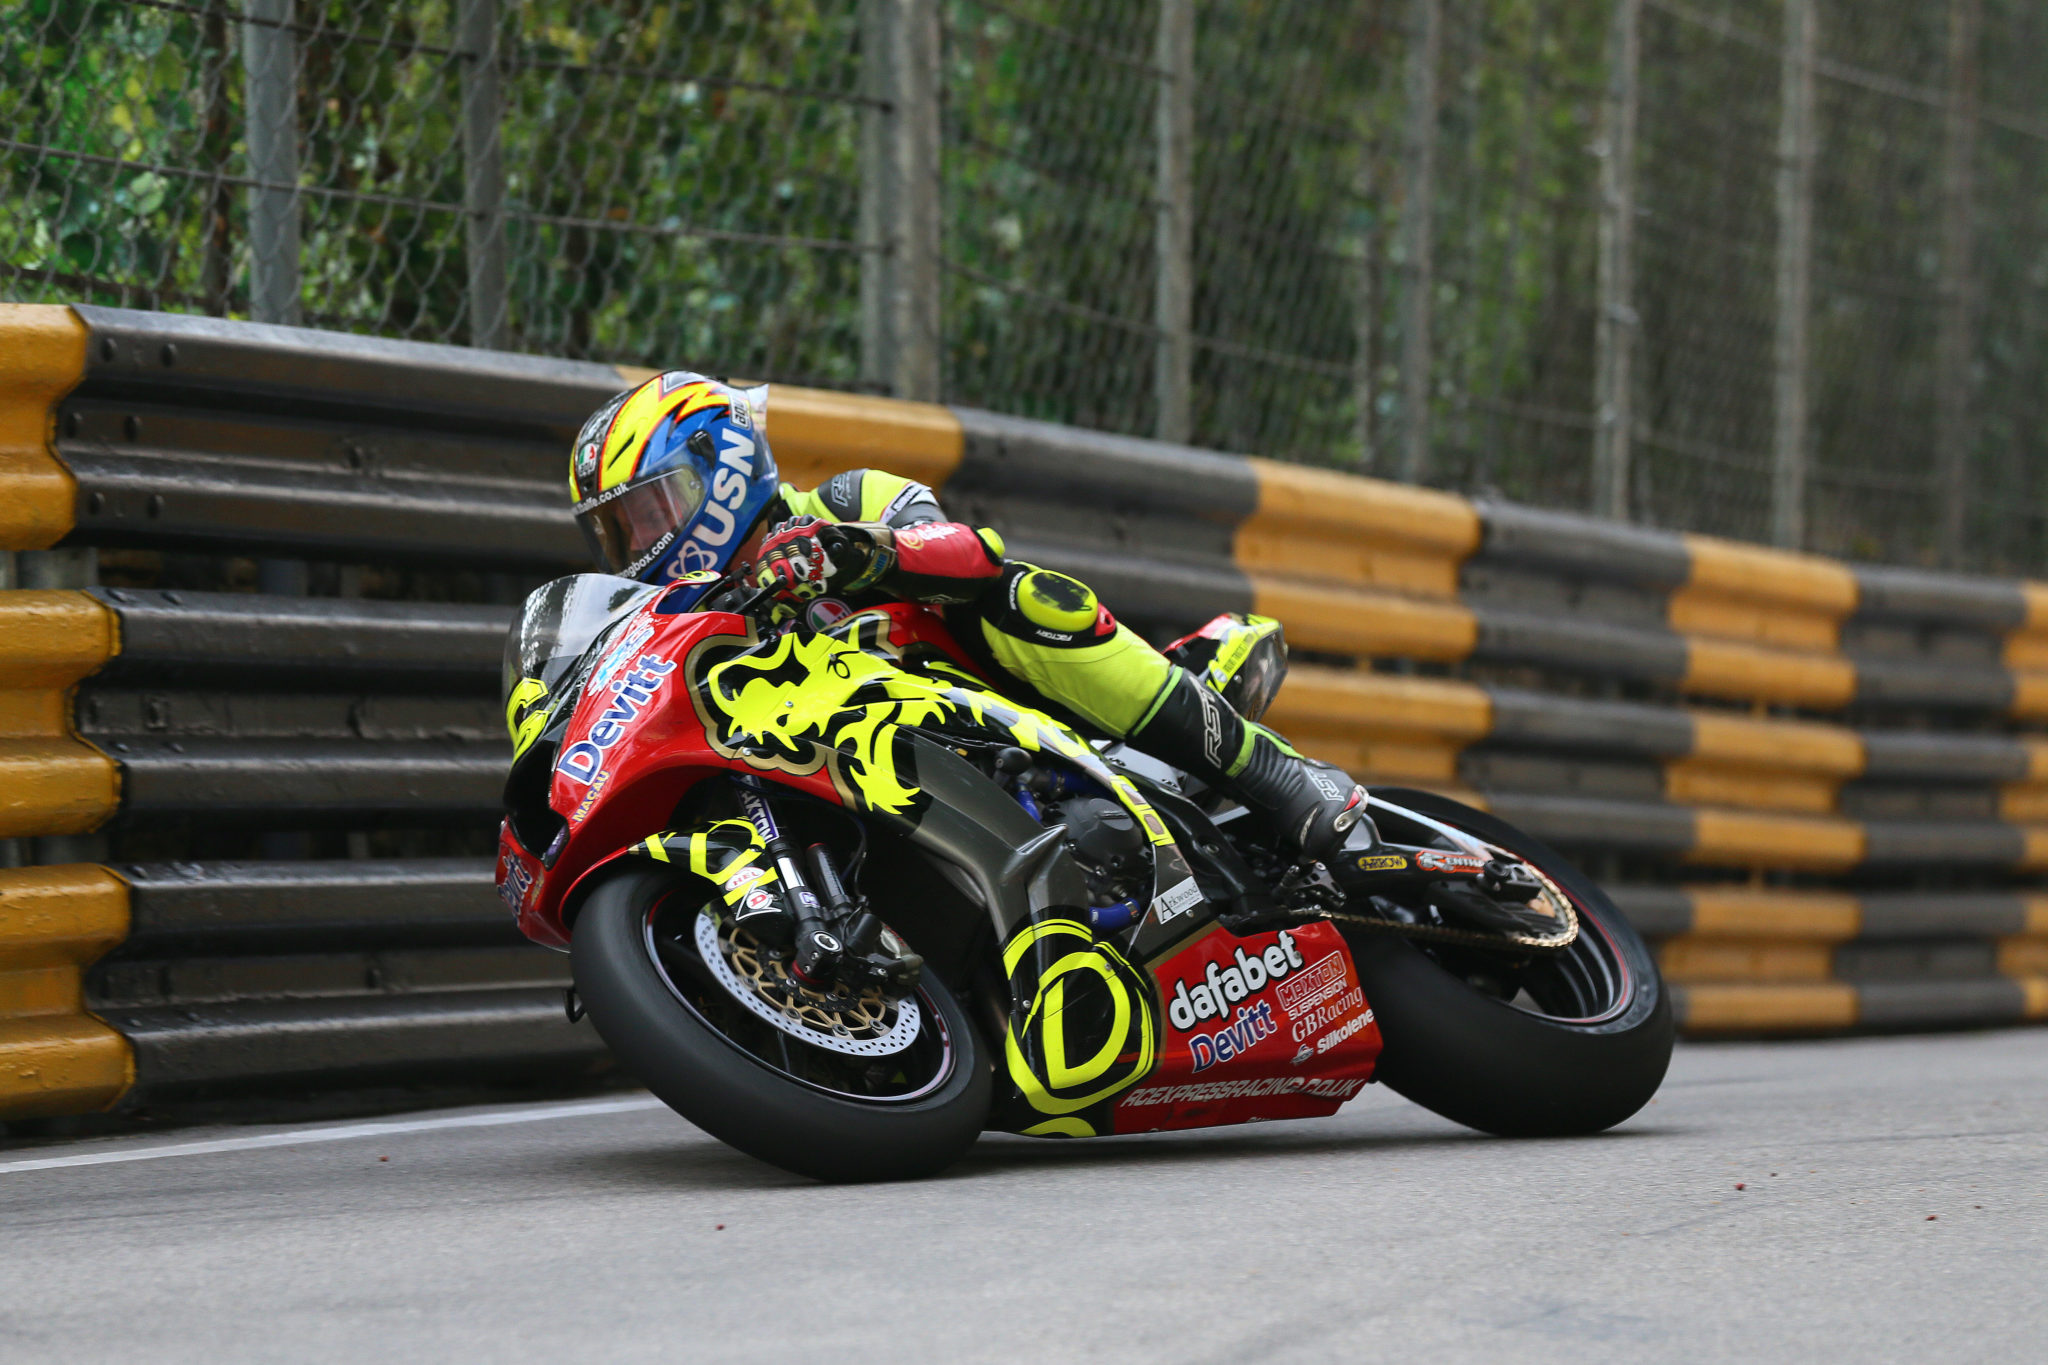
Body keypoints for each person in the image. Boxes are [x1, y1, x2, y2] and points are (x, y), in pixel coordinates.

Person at [567, 370, 1366, 858]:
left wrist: (854, 551)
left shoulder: (843, 502)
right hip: (881, 780)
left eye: (651, 509)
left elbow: (967, 553)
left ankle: (1279, 775)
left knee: (1019, 594)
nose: (643, 541)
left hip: (1017, 720)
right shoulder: (701, 626)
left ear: (724, 465)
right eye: (621, 530)